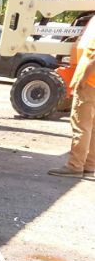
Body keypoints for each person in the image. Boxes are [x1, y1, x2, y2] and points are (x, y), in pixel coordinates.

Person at [49, 16, 95, 179]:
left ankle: (75, 166)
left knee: (81, 125)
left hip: (89, 83)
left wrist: (82, 79)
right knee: (91, 127)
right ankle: (89, 165)